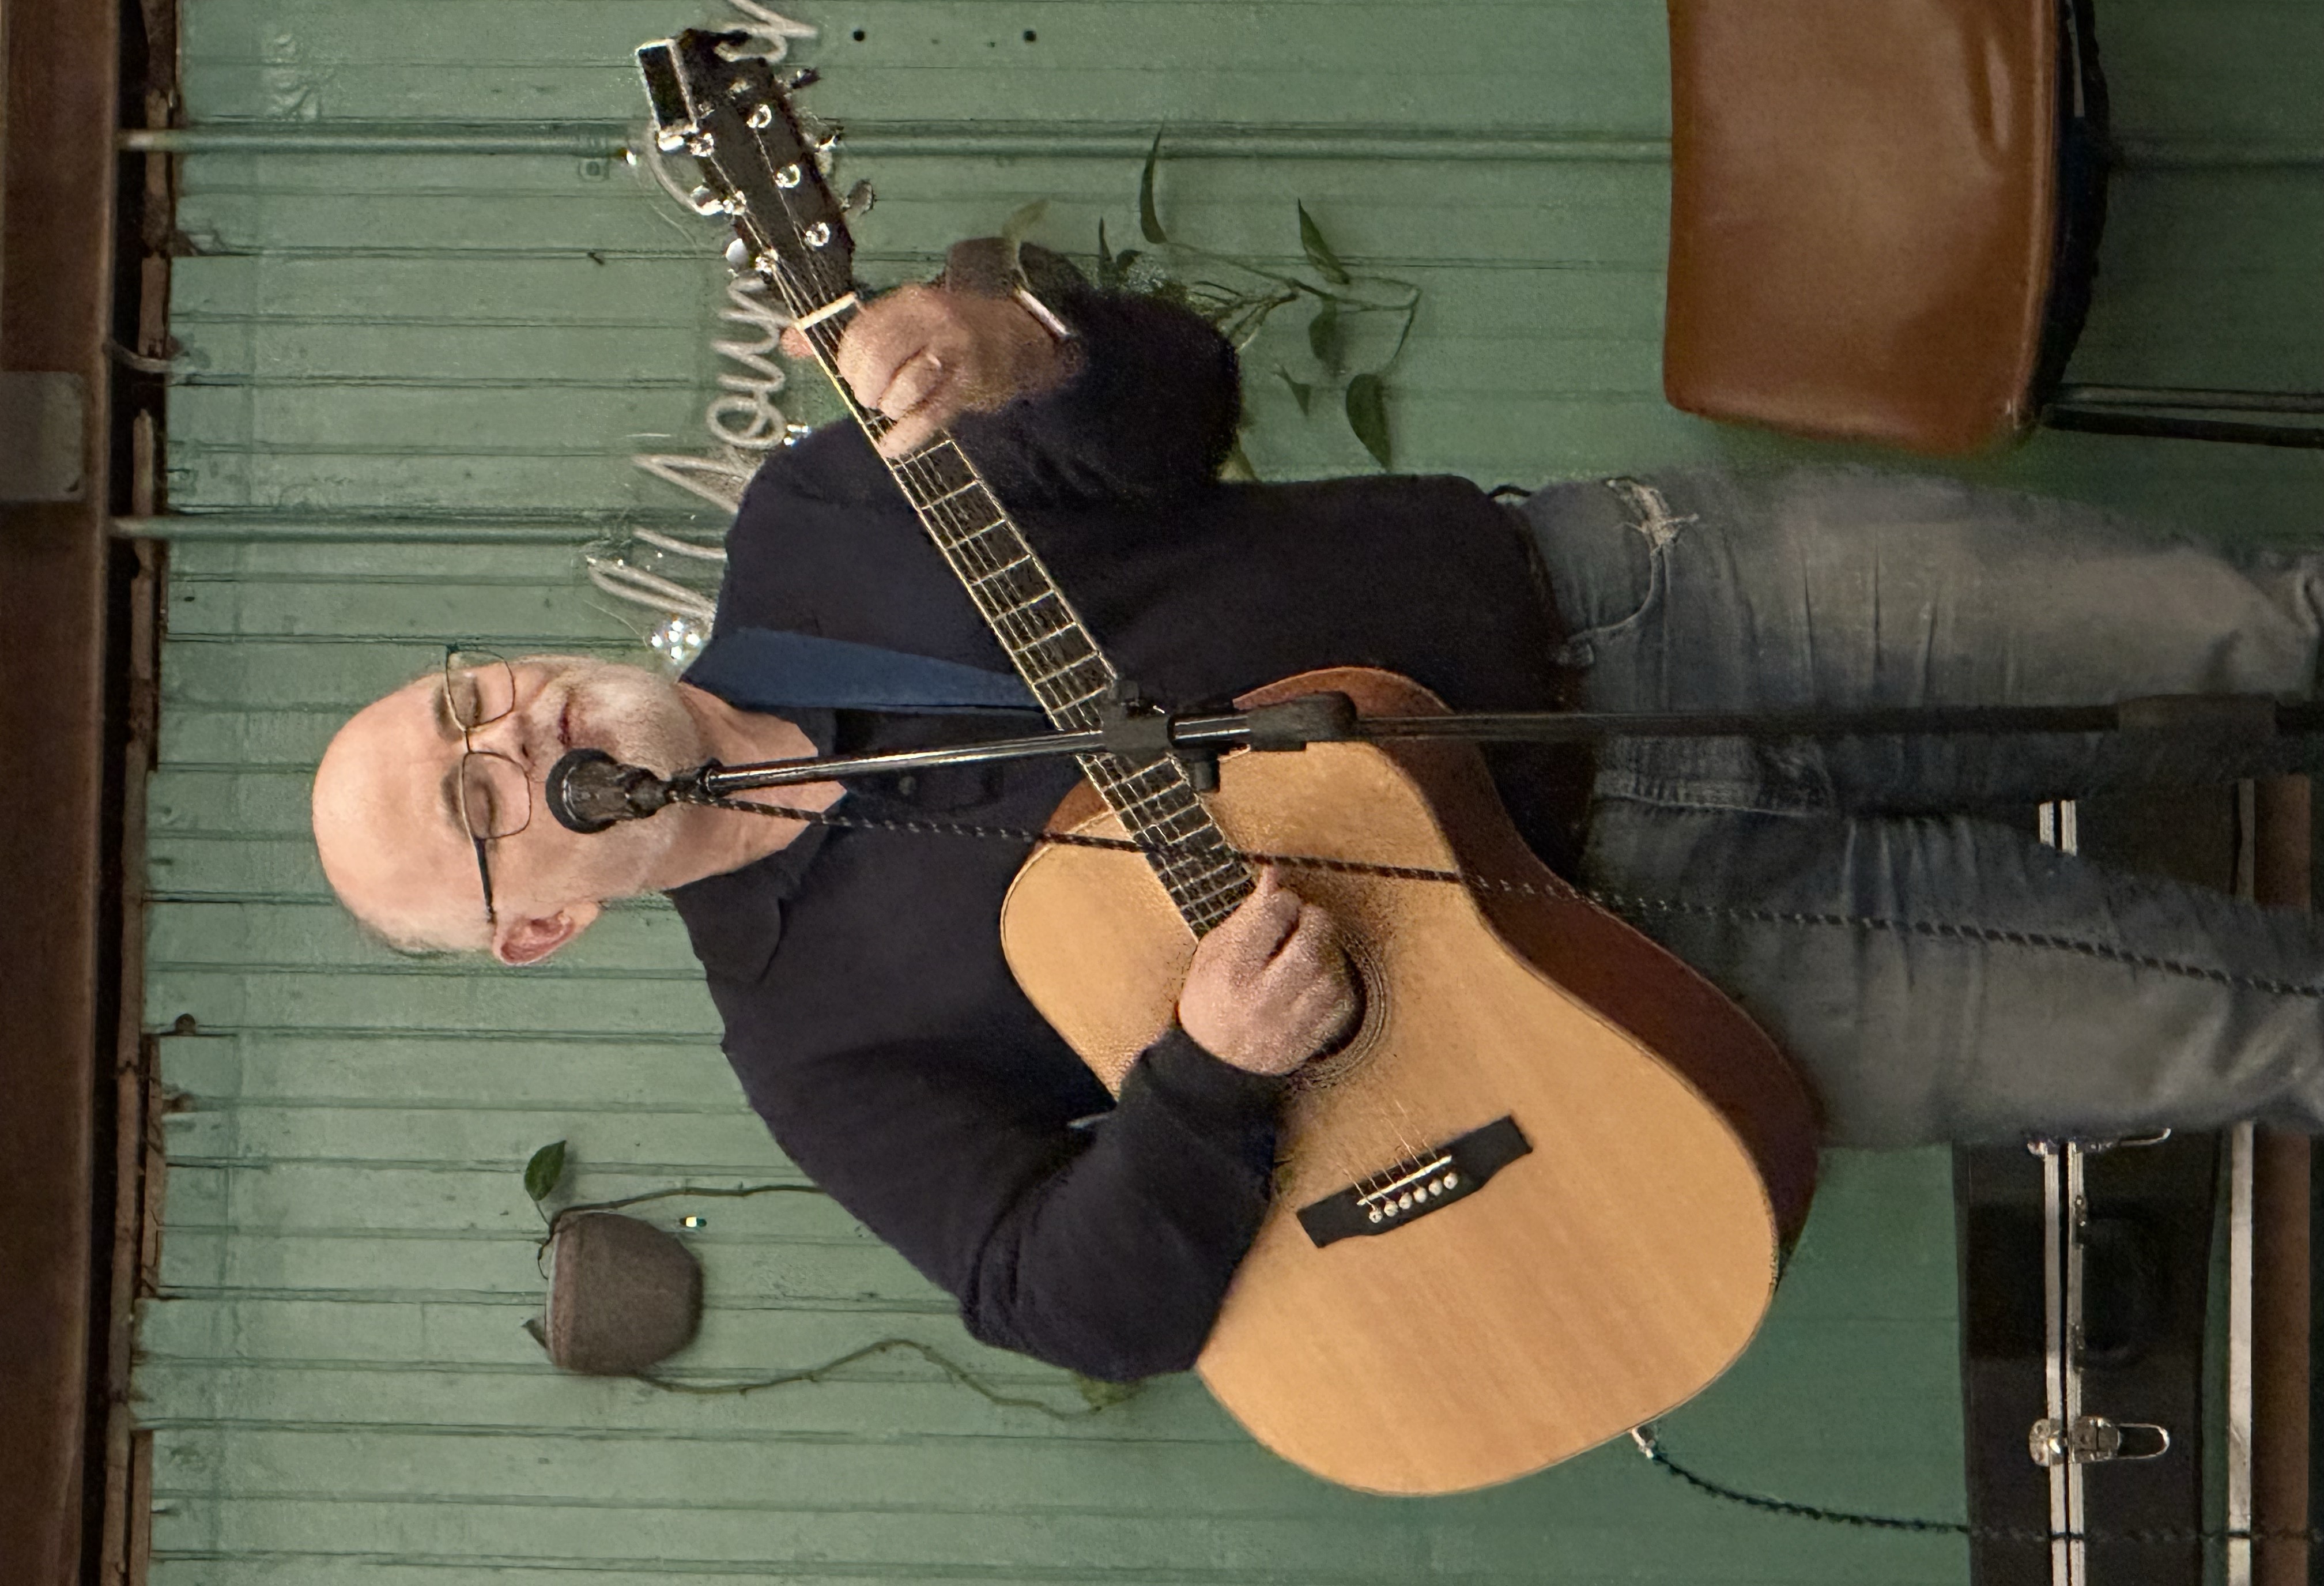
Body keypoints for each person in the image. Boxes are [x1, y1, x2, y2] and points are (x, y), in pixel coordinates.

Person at [313, 242, 2324, 1382]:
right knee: (2264, 1031)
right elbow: (1055, 1295)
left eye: (468, 697)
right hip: (1649, 993)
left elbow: (1170, 415)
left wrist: (1040, 348)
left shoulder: (823, 512)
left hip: (1643, 609)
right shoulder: (816, 1043)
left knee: (2262, 633)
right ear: (535, 928)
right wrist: (1205, 1078)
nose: (514, 731)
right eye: (476, 798)